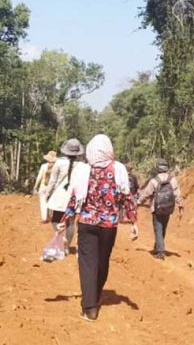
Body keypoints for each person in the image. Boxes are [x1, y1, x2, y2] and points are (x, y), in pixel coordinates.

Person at [59, 134, 138, 321]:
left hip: (87, 223)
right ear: (109, 150)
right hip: (109, 225)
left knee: (87, 264)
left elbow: (75, 198)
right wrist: (134, 222)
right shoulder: (118, 169)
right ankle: (95, 296)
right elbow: (127, 197)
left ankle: (90, 308)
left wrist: (66, 220)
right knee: (103, 261)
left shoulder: (84, 171)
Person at [138, 158, 183, 260]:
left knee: (158, 229)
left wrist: (138, 202)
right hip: (168, 208)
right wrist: (180, 205)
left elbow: (146, 194)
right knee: (163, 228)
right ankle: (158, 246)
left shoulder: (154, 181)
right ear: (167, 168)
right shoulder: (172, 180)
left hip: (156, 209)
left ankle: (160, 252)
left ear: (157, 168)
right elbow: (177, 193)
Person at [45, 139, 86, 252]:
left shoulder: (59, 163)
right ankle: (67, 246)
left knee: (55, 220)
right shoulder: (83, 166)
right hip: (75, 197)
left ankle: (61, 237)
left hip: (60, 196)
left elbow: (53, 181)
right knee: (71, 223)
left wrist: (47, 194)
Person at [32, 151, 57, 223]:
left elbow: (39, 177)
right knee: (50, 202)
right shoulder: (57, 166)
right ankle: (49, 216)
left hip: (43, 186)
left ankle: (44, 218)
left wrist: (35, 186)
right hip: (52, 187)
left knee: (43, 202)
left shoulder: (43, 166)